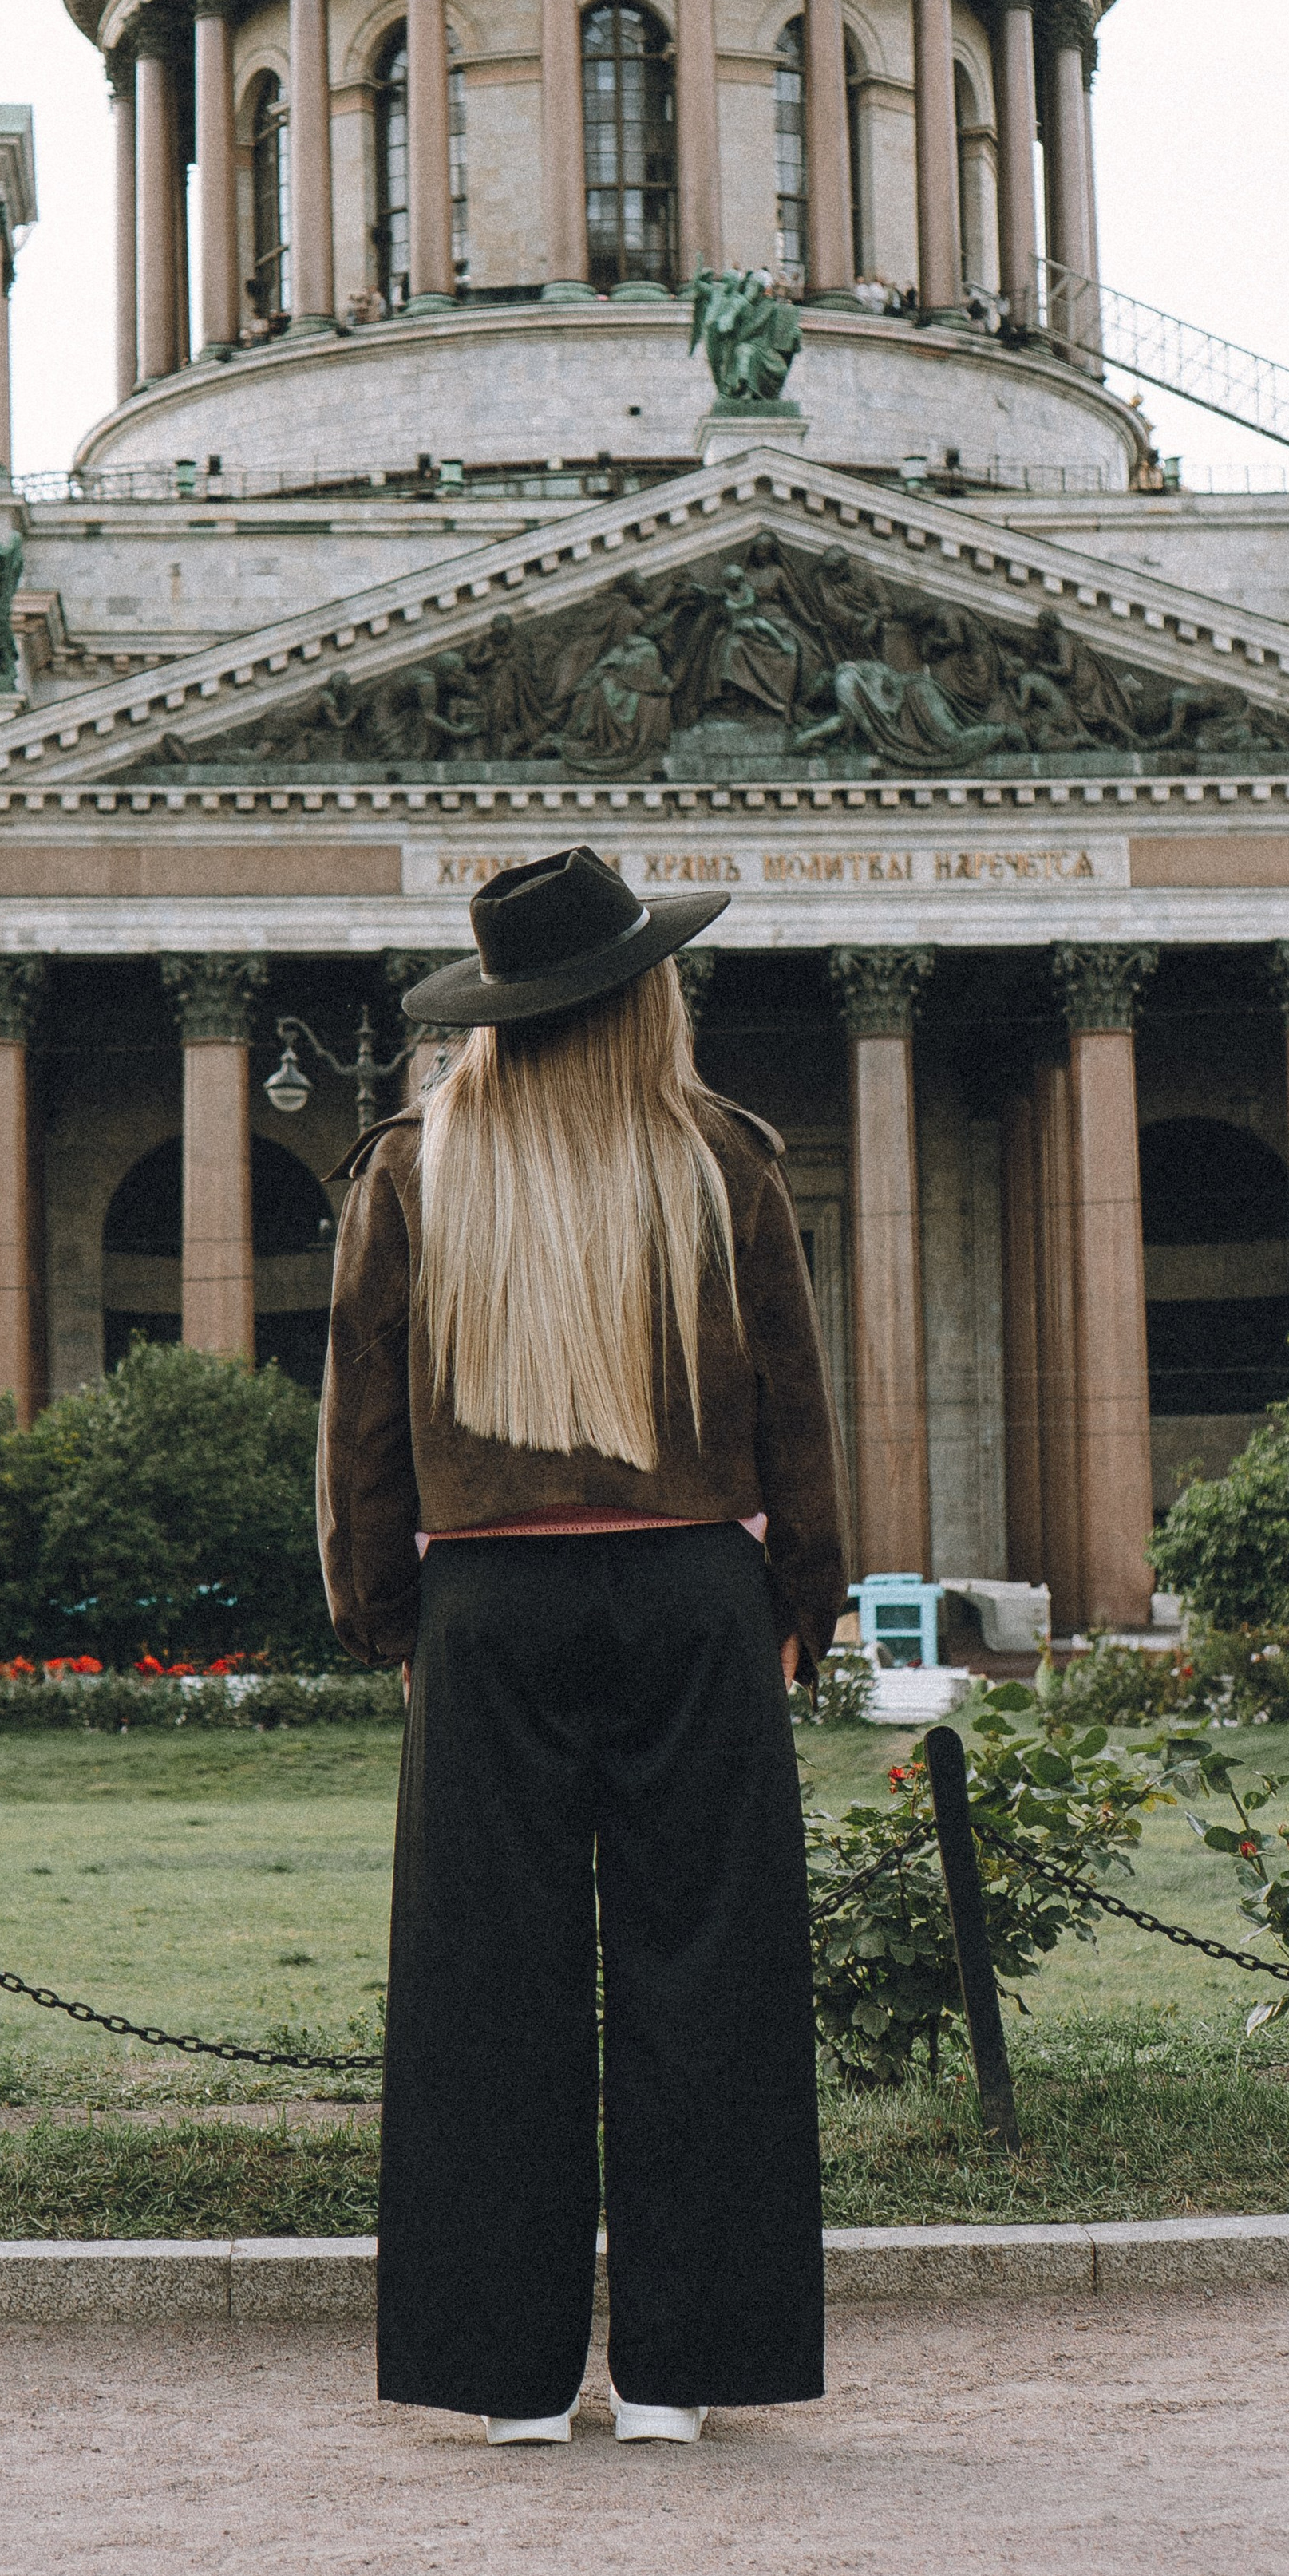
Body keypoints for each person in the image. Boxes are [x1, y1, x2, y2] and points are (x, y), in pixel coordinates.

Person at [318, 847, 848, 2449]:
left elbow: (359, 1435)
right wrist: (800, 1606)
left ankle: (509, 2381)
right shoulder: (718, 1158)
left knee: (484, 1990)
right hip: (694, 1591)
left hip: (488, 1603)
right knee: (712, 1977)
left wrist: (389, 1621)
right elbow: (792, 1414)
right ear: (640, 996)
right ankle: (689, 2369)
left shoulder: (412, 1169)